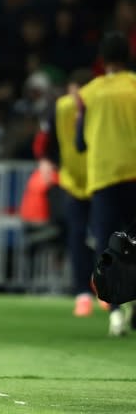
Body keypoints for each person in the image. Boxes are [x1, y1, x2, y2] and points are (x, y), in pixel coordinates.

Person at [76, 31, 136, 336]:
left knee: (106, 246)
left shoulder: (88, 93)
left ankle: (114, 313)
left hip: (104, 178)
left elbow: (79, 142)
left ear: (102, 59)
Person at [41, 68, 98, 316]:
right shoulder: (60, 108)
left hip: (101, 181)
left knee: (105, 238)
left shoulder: (99, 107)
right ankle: (82, 293)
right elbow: (45, 140)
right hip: (75, 182)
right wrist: (46, 159)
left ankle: (105, 290)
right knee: (76, 237)